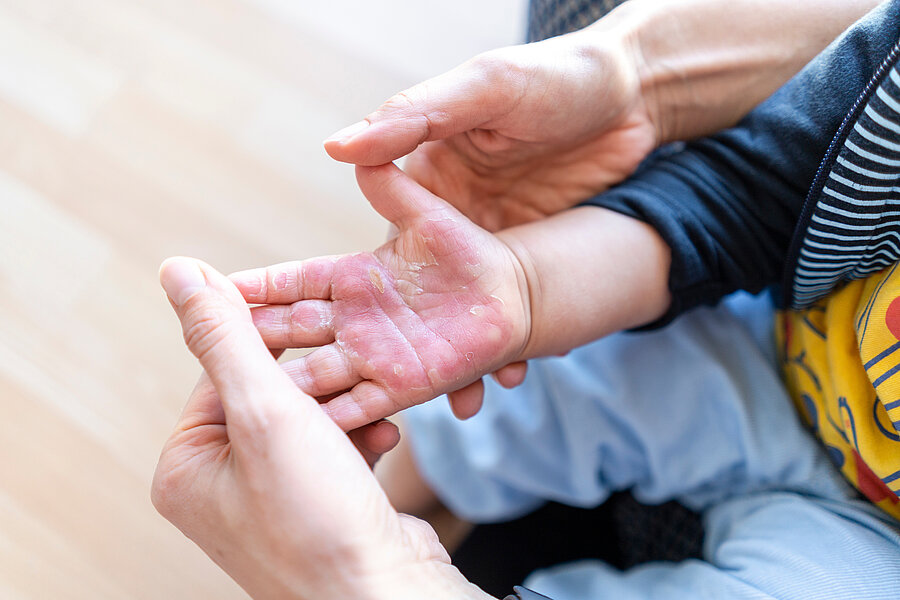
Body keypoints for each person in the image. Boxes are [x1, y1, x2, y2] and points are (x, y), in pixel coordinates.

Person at [150, 1, 893, 599]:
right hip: (782, 335)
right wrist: (527, 286)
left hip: (871, 550)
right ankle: (399, 493)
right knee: (520, 391)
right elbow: (776, 184)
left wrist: (377, 581)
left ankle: (385, 523)